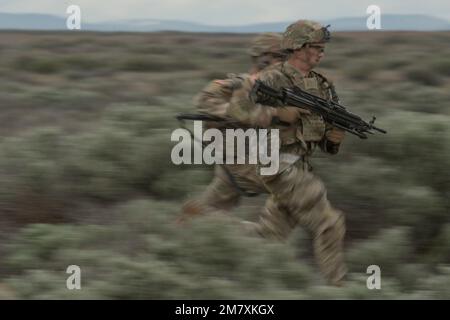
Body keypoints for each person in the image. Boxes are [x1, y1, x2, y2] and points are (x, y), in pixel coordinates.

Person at [222, 20, 347, 286]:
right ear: (298, 48)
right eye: (316, 46)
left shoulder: (321, 84)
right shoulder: (270, 78)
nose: (322, 51)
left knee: (269, 237)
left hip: (298, 164)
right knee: (329, 224)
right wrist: (276, 112)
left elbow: (322, 138)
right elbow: (236, 112)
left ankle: (213, 233)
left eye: (323, 46)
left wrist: (333, 139)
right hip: (275, 163)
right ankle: (339, 289)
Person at [176, 32, 286, 223]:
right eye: (275, 56)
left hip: (256, 156)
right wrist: (252, 113)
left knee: (211, 209)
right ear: (261, 58)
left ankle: (189, 227)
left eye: (282, 58)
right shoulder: (236, 85)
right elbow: (205, 100)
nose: (279, 62)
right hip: (236, 160)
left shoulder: (279, 89)